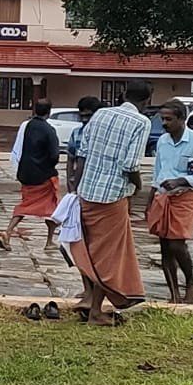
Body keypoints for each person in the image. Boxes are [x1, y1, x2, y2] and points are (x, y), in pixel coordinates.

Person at [67, 81, 151, 325]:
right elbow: (130, 164)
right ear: (146, 101)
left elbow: (82, 152)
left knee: (90, 250)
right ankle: (95, 311)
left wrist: (76, 186)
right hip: (112, 196)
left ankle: (89, 299)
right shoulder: (141, 122)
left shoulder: (101, 113)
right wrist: (138, 186)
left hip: (87, 192)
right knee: (109, 256)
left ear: (123, 94)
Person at [145, 98, 193, 302]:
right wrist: (150, 200)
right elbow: (158, 172)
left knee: (177, 243)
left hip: (184, 196)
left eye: (169, 119)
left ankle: (190, 281)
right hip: (163, 195)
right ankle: (173, 293)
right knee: (164, 245)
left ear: (181, 119)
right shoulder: (163, 141)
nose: (164, 123)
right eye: (162, 119)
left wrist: (181, 180)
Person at [0, 101, 61, 253]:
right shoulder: (49, 130)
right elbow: (54, 155)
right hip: (44, 175)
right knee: (48, 207)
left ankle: (11, 232)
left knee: (34, 206)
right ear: (49, 112)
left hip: (26, 173)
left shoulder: (28, 126)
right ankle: (47, 240)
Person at [66, 96, 101, 192]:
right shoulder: (76, 133)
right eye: (82, 116)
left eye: (88, 116)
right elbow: (70, 159)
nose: (84, 120)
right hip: (79, 182)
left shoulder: (102, 135)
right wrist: (69, 181)